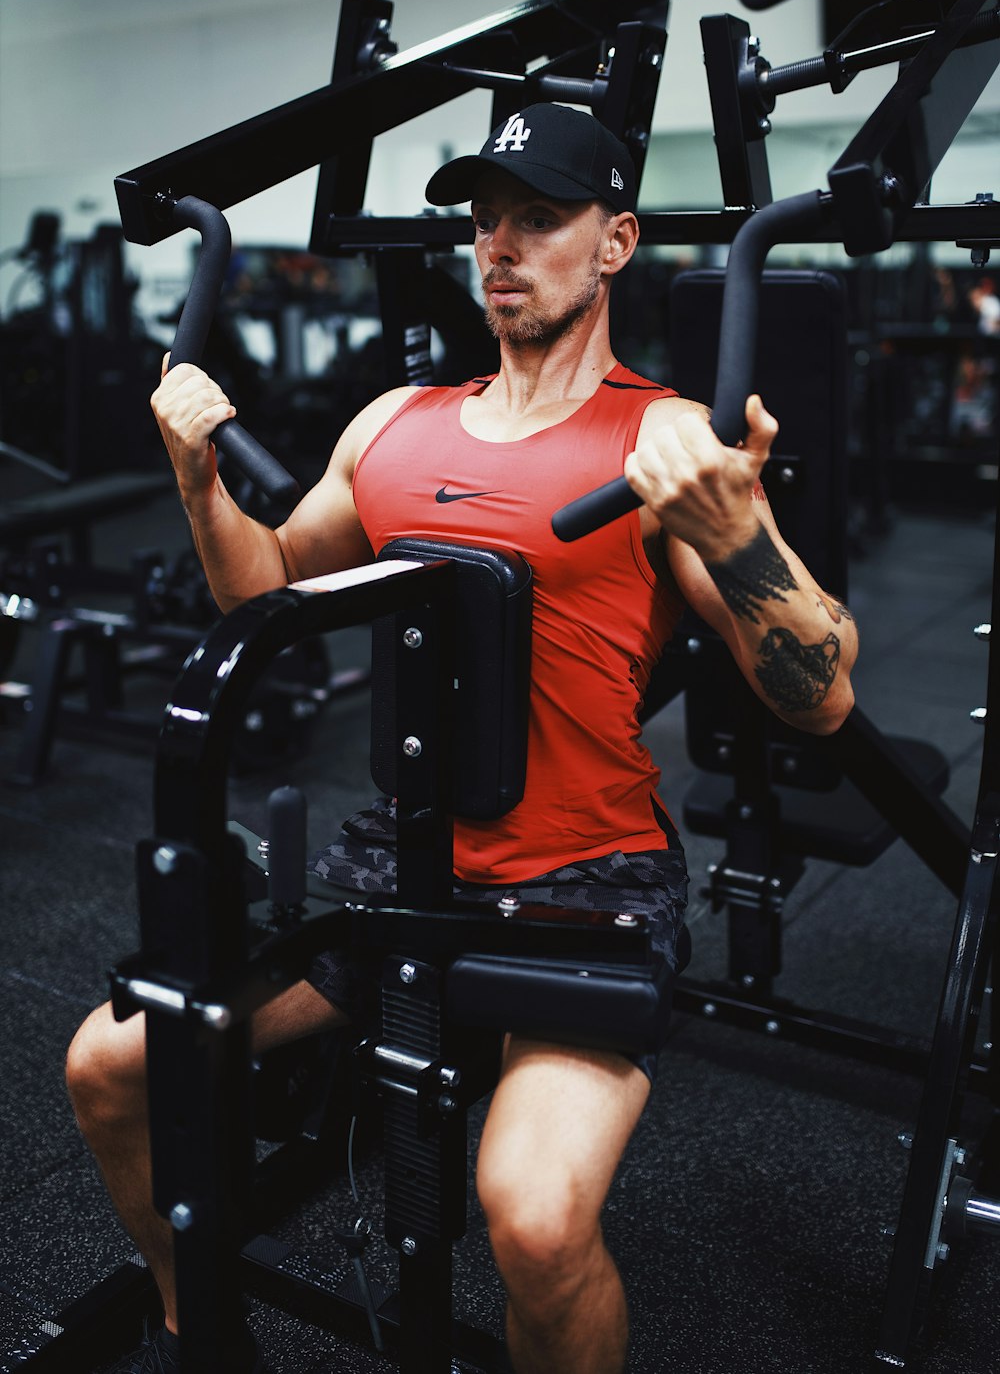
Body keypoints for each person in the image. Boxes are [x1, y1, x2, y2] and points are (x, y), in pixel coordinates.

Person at [65, 102, 858, 1374]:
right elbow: (265, 594)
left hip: (584, 878)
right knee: (110, 1064)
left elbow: (819, 698)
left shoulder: (662, 439)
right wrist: (199, 483)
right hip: (403, 865)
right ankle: (185, 1325)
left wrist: (739, 532)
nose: (499, 247)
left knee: (534, 1223)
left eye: (538, 220)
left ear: (614, 244)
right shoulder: (392, 424)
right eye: (485, 222)